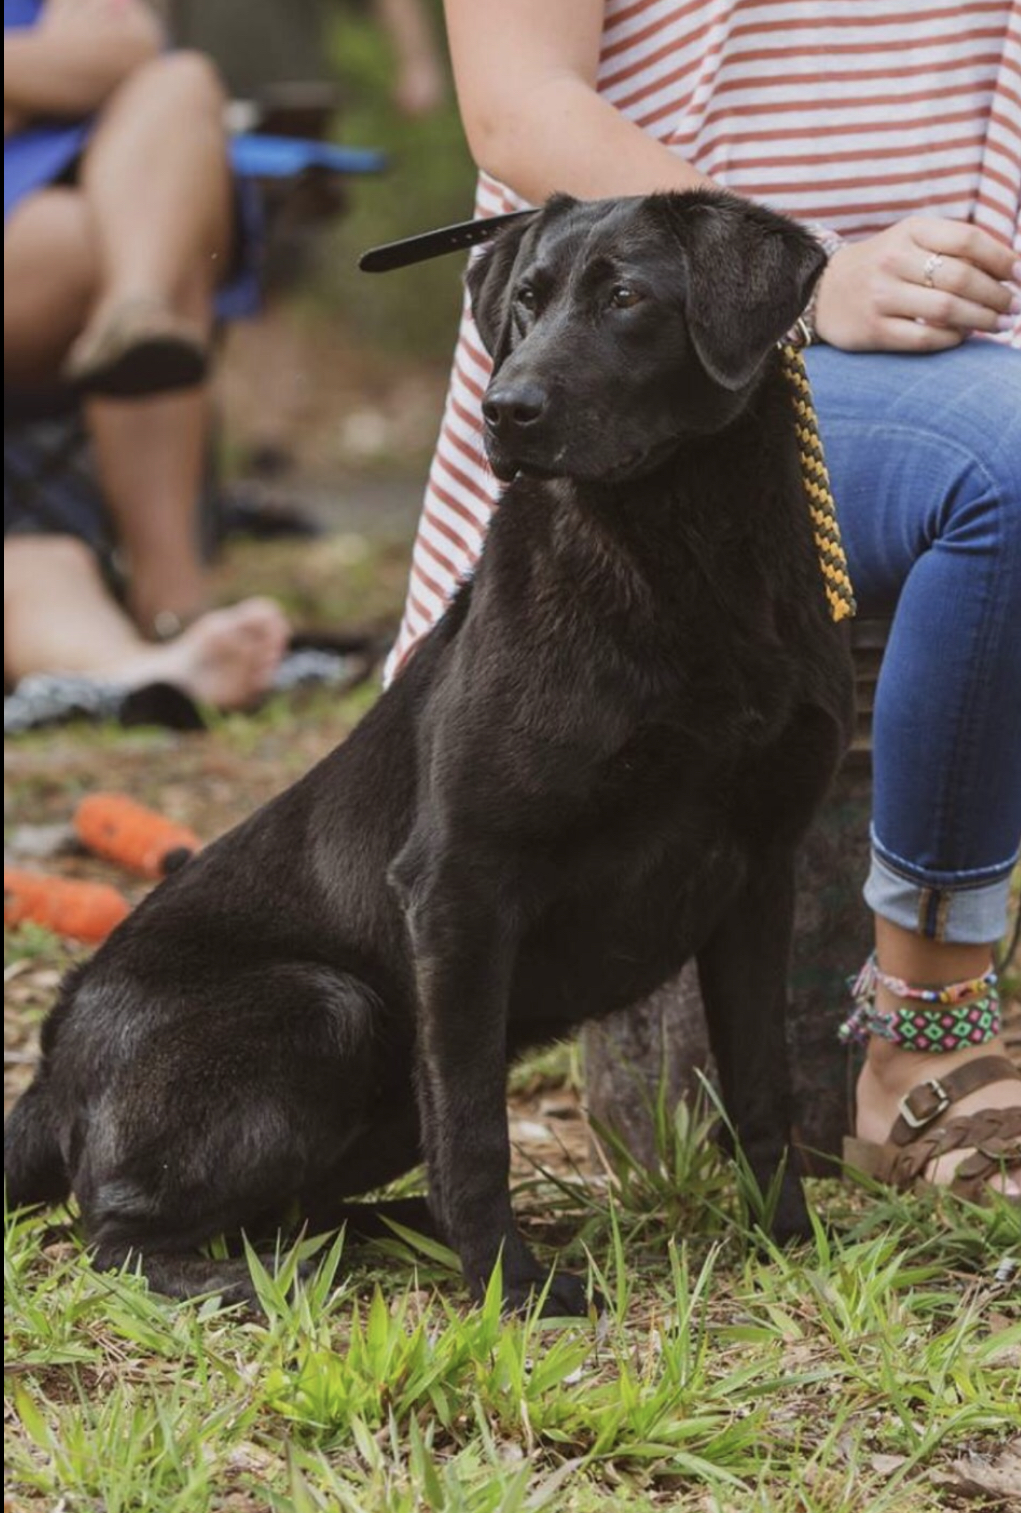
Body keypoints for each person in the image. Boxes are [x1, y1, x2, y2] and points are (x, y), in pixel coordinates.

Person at [387, 1, 1021, 1199]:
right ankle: (924, 1038)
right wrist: (810, 275)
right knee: (1007, 462)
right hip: (712, 361)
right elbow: (517, 100)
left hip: (980, 344)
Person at [4, 0, 289, 713]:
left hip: (83, 207)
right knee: (161, 222)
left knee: (179, 84)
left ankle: (135, 307)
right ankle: (159, 638)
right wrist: (42, 72)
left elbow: (126, 43)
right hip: (77, 218)